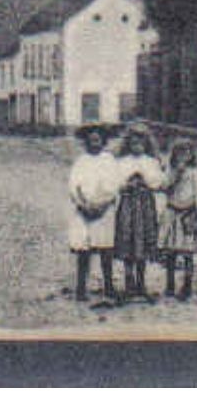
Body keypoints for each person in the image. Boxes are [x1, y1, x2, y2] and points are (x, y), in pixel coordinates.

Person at [68, 122, 121, 303]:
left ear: (104, 141)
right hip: (85, 210)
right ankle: (81, 288)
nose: (94, 144)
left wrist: (103, 205)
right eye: (91, 140)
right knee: (84, 250)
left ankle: (109, 286)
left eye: (98, 140)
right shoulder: (81, 162)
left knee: (106, 249)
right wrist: (83, 205)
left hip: (104, 210)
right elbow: (74, 186)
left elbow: (114, 186)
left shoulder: (109, 160)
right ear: (86, 142)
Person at [113, 121, 164, 302]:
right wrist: (126, 183)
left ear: (147, 144)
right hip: (127, 204)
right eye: (134, 143)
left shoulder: (151, 161)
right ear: (128, 144)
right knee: (128, 239)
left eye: (141, 144)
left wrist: (146, 181)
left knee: (143, 240)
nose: (137, 147)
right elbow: (115, 182)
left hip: (145, 204)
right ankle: (129, 281)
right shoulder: (121, 162)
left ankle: (141, 281)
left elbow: (158, 182)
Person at [159, 138, 197, 301]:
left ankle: (187, 285)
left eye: (187, 153)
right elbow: (164, 187)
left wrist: (195, 208)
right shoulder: (170, 170)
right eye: (179, 153)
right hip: (172, 212)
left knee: (187, 253)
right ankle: (170, 285)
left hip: (188, 213)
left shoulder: (195, 172)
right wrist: (176, 174)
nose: (183, 156)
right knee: (170, 251)